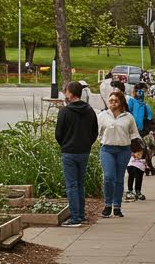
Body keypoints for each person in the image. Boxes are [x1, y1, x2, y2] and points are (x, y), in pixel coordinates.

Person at [55, 80, 99, 228]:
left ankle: (75, 218)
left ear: (70, 93)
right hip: (84, 151)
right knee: (80, 184)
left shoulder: (65, 112)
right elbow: (94, 132)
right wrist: (86, 144)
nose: (65, 94)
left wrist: (65, 144)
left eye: (66, 91)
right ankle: (80, 214)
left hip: (69, 151)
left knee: (72, 185)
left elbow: (58, 133)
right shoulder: (90, 111)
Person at [97, 89, 140, 218]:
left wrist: (137, 150)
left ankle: (117, 206)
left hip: (123, 150)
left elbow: (134, 134)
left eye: (116, 101)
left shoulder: (128, 117)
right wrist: (101, 140)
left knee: (119, 179)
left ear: (121, 102)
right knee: (109, 177)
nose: (113, 103)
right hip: (107, 150)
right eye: (110, 101)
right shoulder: (103, 115)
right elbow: (97, 132)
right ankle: (107, 204)